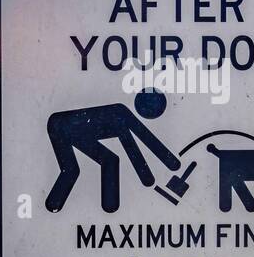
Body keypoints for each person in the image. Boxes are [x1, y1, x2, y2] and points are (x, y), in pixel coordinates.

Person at [44, 89, 181, 213]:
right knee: (72, 169)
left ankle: (107, 207)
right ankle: (55, 205)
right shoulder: (120, 113)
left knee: (106, 160)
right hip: (61, 126)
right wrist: (165, 163)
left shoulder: (119, 114)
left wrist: (154, 170)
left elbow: (127, 134)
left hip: (63, 126)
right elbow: (129, 132)